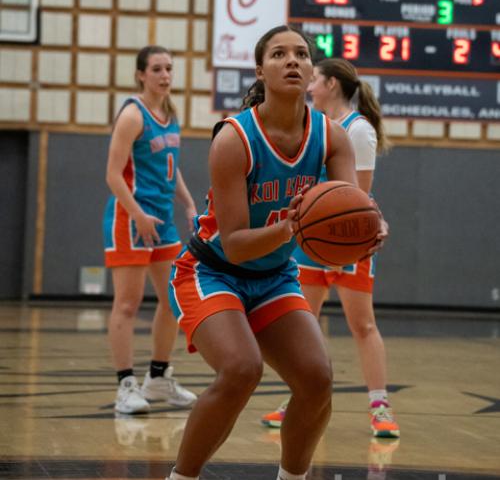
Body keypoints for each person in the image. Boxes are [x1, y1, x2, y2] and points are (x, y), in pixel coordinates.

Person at [166, 26, 388, 480]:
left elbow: (348, 207)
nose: (292, 60)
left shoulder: (332, 138)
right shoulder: (234, 139)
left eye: (301, 54)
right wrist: (292, 226)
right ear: (260, 70)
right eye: (280, 54)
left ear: (310, 72)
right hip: (212, 271)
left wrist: (368, 228)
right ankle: (181, 478)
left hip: (273, 275)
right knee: (241, 369)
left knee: (316, 378)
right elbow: (235, 243)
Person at [261, 58, 399, 439]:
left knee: (363, 324)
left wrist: (377, 222)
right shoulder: (313, 125)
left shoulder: (358, 130)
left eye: (315, 80)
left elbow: (359, 197)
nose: (309, 87)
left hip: (348, 239)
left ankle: (379, 405)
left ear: (333, 85)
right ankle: (299, 397)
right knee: (305, 322)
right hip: (310, 240)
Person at [103, 45, 198, 414]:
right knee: (127, 303)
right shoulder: (132, 115)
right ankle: (125, 386)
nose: (165, 75)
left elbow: (170, 170)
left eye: (169, 68)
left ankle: (157, 378)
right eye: (157, 69)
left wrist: (188, 203)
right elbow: (112, 175)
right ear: (141, 74)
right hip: (130, 219)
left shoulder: (169, 112)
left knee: (173, 300)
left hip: (163, 220)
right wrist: (138, 214)